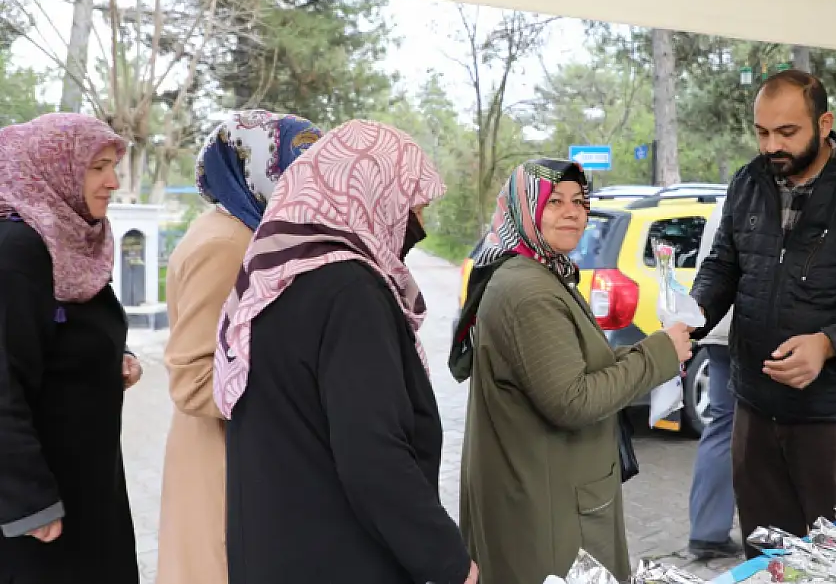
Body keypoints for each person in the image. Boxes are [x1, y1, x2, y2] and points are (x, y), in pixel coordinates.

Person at [213, 120, 476, 584]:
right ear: (372, 190)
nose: (420, 222)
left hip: (276, 547)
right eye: (413, 201)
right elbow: (373, 454)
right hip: (339, 555)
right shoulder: (350, 291)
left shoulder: (274, 277)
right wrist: (449, 561)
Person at [690, 70, 836, 558]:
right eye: (761, 132)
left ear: (824, 123)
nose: (771, 146)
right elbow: (723, 265)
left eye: (786, 132)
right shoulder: (748, 181)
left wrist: (827, 345)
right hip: (754, 408)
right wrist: (693, 313)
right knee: (767, 557)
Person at [451, 158, 693, 584]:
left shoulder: (540, 272)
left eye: (580, 202)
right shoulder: (529, 291)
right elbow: (572, 400)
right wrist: (658, 354)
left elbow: (575, 366)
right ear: (525, 209)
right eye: (555, 201)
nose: (572, 212)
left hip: (542, 491)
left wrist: (651, 351)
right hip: (548, 510)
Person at [157, 110, 321, 584]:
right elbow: (192, 379)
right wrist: (295, 397)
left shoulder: (246, 231)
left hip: (237, 454)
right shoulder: (228, 243)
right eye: (296, 169)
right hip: (220, 462)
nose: (309, 186)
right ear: (254, 170)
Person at [0, 113, 140, 583]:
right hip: (43, 511)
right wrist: (29, 502)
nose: (112, 182)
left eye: (112, 166)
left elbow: (72, 332)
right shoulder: (17, 253)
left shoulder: (68, 242)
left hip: (90, 487)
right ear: (54, 167)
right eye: (97, 167)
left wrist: (112, 358)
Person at [686, 199, 740, 561]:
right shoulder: (761, 199)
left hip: (716, 331)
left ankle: (707, 530)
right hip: (747, 332)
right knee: (743, 431)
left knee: (721, 426)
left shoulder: (727, 200)